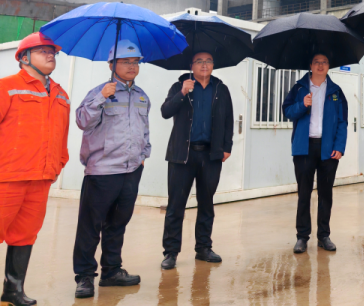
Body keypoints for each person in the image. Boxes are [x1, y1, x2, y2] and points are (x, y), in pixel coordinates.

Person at [73, 40, 151, 299]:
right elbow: (82, 121)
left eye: (135, 62)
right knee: (90, 226)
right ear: (111, 65)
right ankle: (85, 276)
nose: (132, 66)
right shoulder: (99, 92)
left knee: (118, 224)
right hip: (102, 171)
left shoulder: (141, 96)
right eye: (125, 62)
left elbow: (144, 130)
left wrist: (143, 155)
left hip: (131, 171)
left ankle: (112, 271)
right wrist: (101, 97)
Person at [0, 33, 70, 306]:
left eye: (53, 51)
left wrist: (58, 164)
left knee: (25, 234)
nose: (50, 54)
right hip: (7, 177)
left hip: (41, 178)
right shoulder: (7, 87)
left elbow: (62, 136)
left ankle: (13, 291)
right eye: (42, 51)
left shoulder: (61, 94)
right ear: (24, 57)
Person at [160, 51, 234, 270]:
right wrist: (183, 92)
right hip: (182, 154)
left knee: (206, 204)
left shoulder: (221, 89)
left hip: (210, 155)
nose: (204, 65)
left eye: (208, 61)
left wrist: (227, 147)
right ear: (191, 65)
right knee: (176, 205)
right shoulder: (179, 86)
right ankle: (171, 252)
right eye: (199, 61)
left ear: (213, 65)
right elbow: (165, 111)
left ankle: (203, 248)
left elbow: (229, 119)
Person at [283, 53, 348, 253]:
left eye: (324, 62)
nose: (321, 65)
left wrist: (340, 146)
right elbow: (287, 112)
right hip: (304, 148)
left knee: (325, 193)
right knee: (304, 193)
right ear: (310, 65)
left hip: (328, 149)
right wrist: (302, 104)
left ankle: (324, 235)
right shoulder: (299, 88)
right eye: (317, 62)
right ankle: (302, 237)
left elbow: (342, 121)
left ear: (329, 66)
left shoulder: (336, 91)